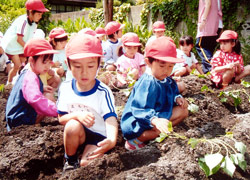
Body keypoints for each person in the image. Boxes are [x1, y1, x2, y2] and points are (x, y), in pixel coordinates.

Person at [57, 33, 118, 171]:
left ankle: (83, 156)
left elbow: (111, 119)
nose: (84, 73)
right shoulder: (66, 88)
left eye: (90, 66)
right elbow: (61, 118)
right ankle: (70, 161)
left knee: (86, 164)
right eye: (77, 67)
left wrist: (112, 140)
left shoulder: (103, 92)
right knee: (71, 126)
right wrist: (77, 116)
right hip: (79, 133)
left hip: (98, 136)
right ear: (68, 65)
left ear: (98, 65)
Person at [120, 36, 189, 150]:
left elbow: (173, 91)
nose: (166, 70)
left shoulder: (167, 79)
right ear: (148, 62)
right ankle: (135, 141)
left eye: (170, 66)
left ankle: (158, 132)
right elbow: (140, 109)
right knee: (158, 129)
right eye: (162, 66)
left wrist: (177, 98)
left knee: (183, 111)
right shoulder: (147, 83)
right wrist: (155, 120)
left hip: (157, 113)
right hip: (140, 120)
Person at [5, 38, 58, 131]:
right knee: (48, 97)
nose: (47, 66)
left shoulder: (27, 73)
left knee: (46, 95)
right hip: (19, 120)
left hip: (14, 117)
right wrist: (58, 110)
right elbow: (35, 99)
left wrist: (42, 87)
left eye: (49, 62)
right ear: (31, 60)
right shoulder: (30, 77)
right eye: (44, 62)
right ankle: (32, 127)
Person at [1, 0, 49, 85]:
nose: (40, 17)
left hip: (21, 46)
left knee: (24, 66)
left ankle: (19, 83)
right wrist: (30, 49)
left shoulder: (34, 23)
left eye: (41, 15)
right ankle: (9, 83)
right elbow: (19, 39)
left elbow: (29, 38)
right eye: (38, 14)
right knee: (17, 65)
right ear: (31, 12)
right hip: (12, 46)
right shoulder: (23, 21)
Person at [195, 0, 223, 74]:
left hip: (208, 24)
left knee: (201, 46)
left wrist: (203, 20)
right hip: (217, 24)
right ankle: (207, 73)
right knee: (209, 50)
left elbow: (208, 4)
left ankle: (214, 69)